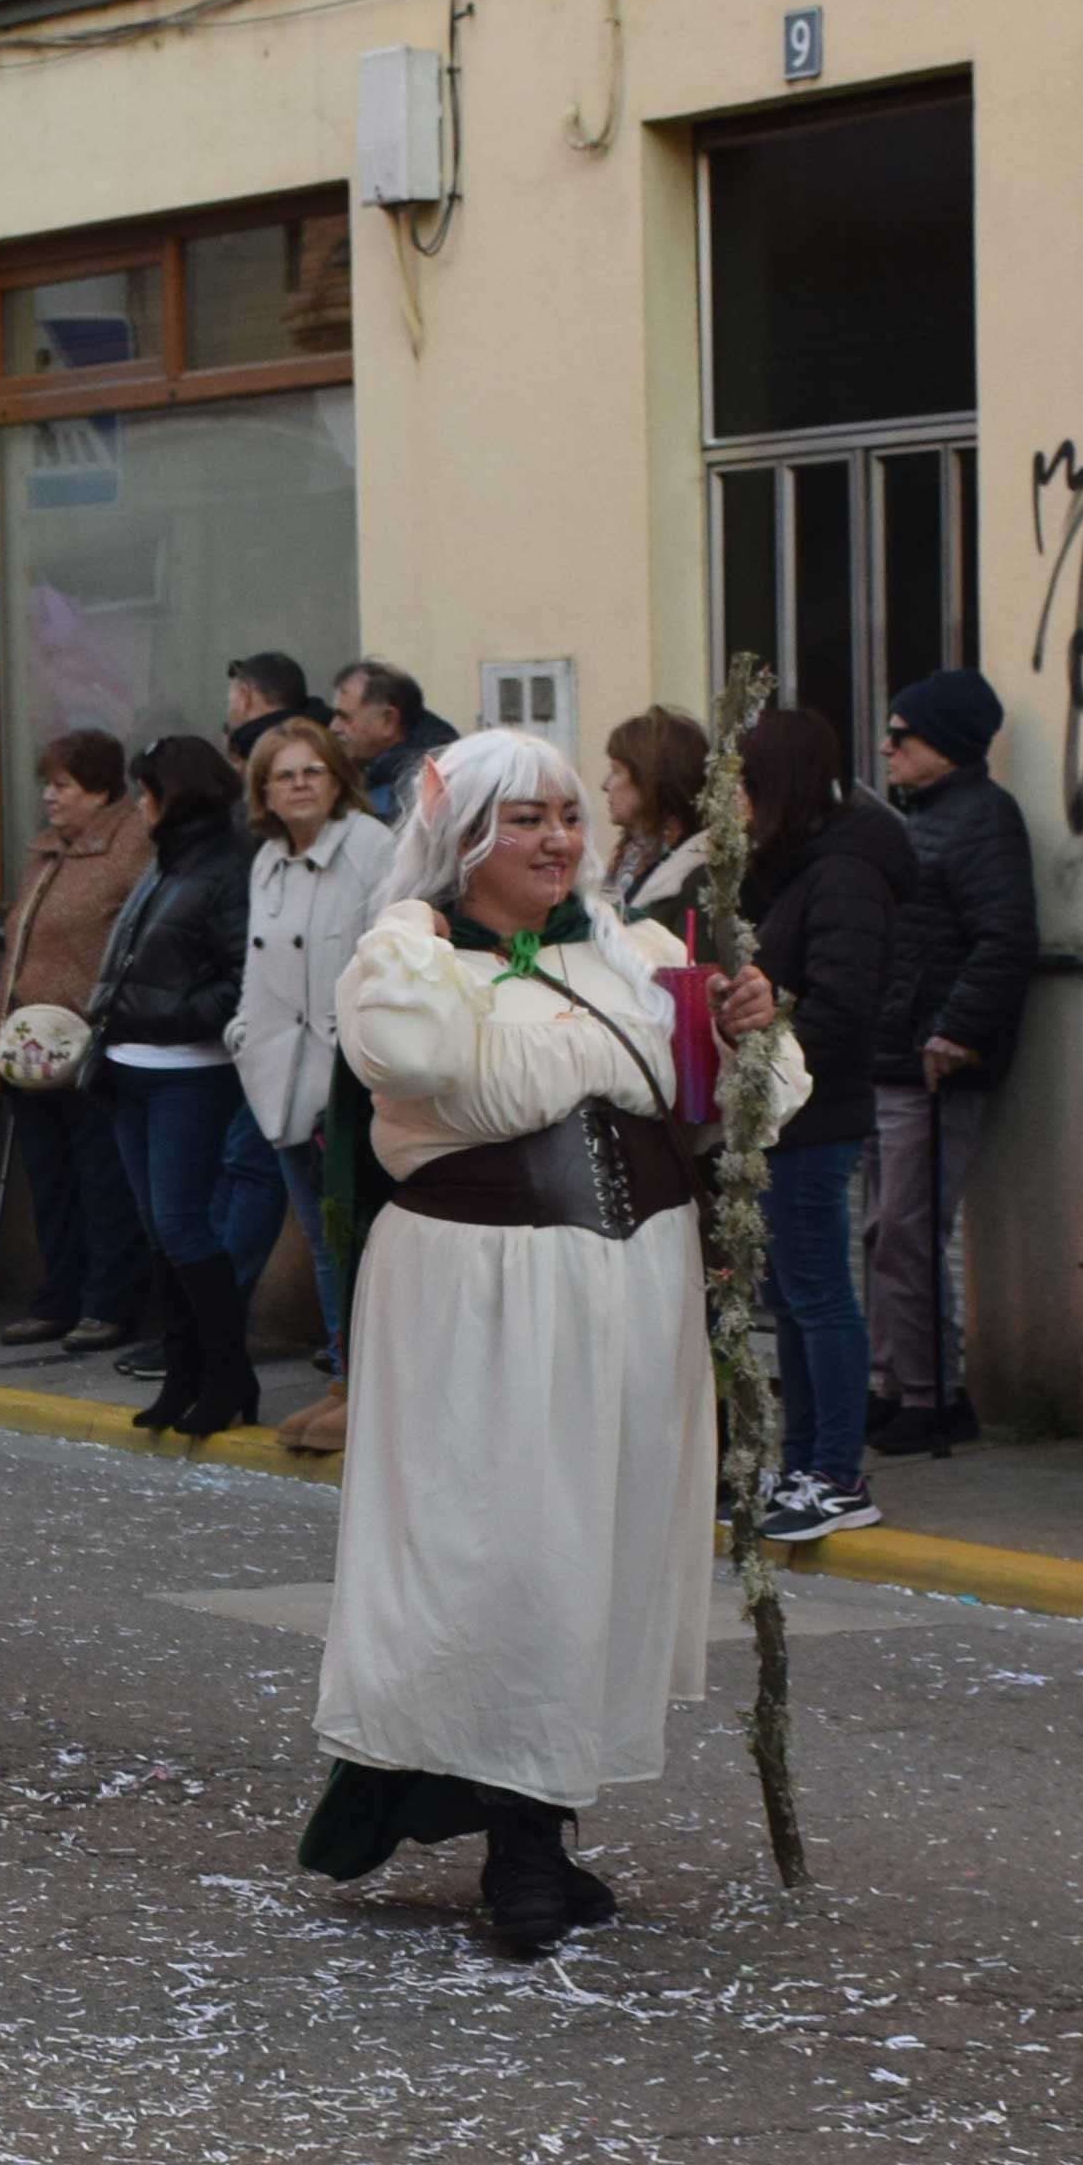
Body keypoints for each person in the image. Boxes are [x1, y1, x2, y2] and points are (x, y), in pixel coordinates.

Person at [296, 723, 787, 1957]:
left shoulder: (639, 951)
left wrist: (741, 1029)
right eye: (525, 820)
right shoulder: (406, 959)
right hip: (479, 1293)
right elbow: (435, 1067)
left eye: (568, 814)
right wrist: (440, 942)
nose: (559, 840)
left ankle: (543, 1817)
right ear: (464, 837)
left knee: (599, 1549)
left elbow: (758, 1111)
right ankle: (515, 1839)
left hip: (633, 1291)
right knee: (507, 1552)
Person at [741, 703, 905, 1543]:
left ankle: (836, 1470)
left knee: (817, 1293)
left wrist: (772, 1037)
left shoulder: (842, 872)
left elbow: (843, 1004)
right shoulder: (802, 867)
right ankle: (805, 1460)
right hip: (789, 1111)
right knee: (793, 1296)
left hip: (814, 1109)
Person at [867, 669, 1035, 1461]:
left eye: (904, 736)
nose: (887, 747)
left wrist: (953, 1032)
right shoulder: (922, 817)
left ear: (951, 745)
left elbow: (1004, 936)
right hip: (893, 1054)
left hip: (932, 1065)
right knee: (883, 1230)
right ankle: (894, 1384)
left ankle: (935, 1394)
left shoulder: (982, 821)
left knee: (909, 1229)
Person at [88, 731, 269, 1438]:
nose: (138, 807)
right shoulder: (166, 864)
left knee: (185, 1224)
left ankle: (227, 1373)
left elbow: (238, 982)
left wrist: (161, 1016)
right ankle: (185, 1370)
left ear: (173, 797)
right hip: (131, 1068)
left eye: (145, 793)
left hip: (189, 1074)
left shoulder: (228, 867)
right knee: (161, 1230)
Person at [226, 711, 396, 1460]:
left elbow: (389, 958)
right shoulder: (266, 858)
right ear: (263, 790)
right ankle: (344, 1381)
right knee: (325, 1246)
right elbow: (254, 969)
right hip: (277, 1074)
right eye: (284, 775)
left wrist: (356, 1059)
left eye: (313, 772)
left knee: (357, 1236)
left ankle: (375, 1388)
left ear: (338, 779)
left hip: (346, 1076)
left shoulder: (367, 847)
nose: (299, 786)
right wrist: (243, 1036)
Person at [0, 729, 144, 1350]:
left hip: (92, 1048)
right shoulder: (47, 851)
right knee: (49, 1184)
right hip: (31, 1050)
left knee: (103, 1182)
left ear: (100, 790)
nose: (49, 798)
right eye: (46, 785)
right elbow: (20, 945)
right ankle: (58, 1297)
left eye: (62, 786)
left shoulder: (131, 847)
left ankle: (108, 1304)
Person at [600, 706, 714, 927]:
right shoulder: (632, 857)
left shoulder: (698, 877)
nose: (605, 785)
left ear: (650, 780)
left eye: (616, 771)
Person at [328, 658, 458, 829]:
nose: (333, 727)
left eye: (345, 717)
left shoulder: (414, 793)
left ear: (388, 720)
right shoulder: (371, 770)